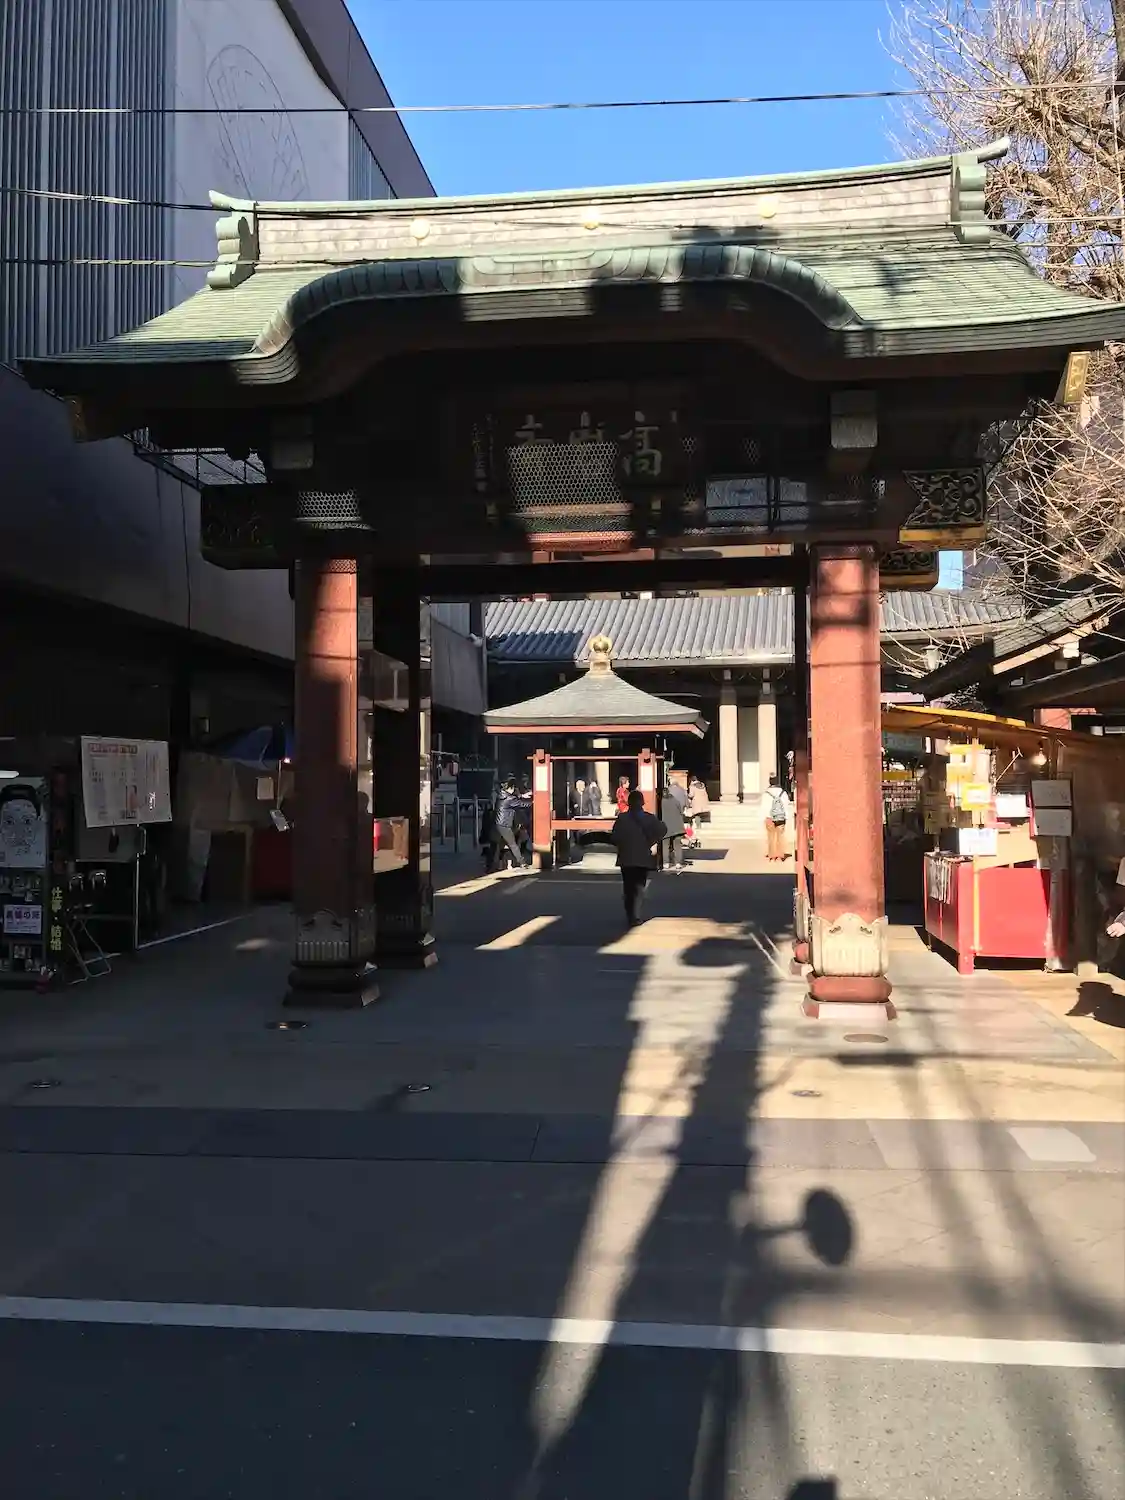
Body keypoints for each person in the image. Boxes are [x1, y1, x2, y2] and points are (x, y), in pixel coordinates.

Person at [611, 789, 666, 927]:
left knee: (628, 887)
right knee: (639, 887)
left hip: (626, 858)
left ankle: (630, 913)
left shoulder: (622, 818)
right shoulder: (649, 818)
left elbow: (614, 837)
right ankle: (635, 915)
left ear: (629, 803)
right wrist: (652, 841)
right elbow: (663, 830)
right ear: (642, 802)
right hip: (642, 857)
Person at [491, 779, 530, 871]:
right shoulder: (509, 799)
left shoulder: (502, 795)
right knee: (513, 844)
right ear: (511, 788)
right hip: (505, 824)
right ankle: (522, 862)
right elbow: (522, 804)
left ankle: (496, 864)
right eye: (514, 788)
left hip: (499, 823)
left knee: (501, 844)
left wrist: (522, 795)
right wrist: (533, 802)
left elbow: (514, 797)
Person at [760, 773, 791, 861]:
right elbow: (786, 805)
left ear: (770, 782)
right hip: (781, 817)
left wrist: (764, 817)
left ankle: (772, 855)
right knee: (780, 836)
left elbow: (764, 806)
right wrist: (786, 816)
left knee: (771, 836)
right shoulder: (783, 793)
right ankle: (780, 855)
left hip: (769, 817)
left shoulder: (766, 793)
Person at [661, 777, 688, 873]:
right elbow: (680, 810)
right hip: (677, 826)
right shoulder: (674, 800)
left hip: (666, 826)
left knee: (665, 845)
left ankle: (666, 863)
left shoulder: (661, 802)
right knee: (677, 845)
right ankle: (678, 863)